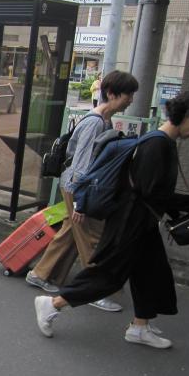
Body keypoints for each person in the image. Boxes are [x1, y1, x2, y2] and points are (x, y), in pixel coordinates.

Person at [34, 88, 189, 348]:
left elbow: (156, 194)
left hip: (141, 222)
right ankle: (52, 304)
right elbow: (153, 193)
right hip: (129, 222)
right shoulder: (157, 144)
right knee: (108, 275)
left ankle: (140, 326)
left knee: (151, 273)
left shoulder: (162, 142)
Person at [26, 70, 140, 313]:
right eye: (128, 94)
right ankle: (94, 291)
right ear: (112, 93)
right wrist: (80, 203)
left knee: (70, 232)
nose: (130, 99)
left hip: (77, 187)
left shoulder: (102, 120)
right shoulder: (95, 123)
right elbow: (81, 165)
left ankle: (39, 274)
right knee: (93, 240)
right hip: (78, 189)